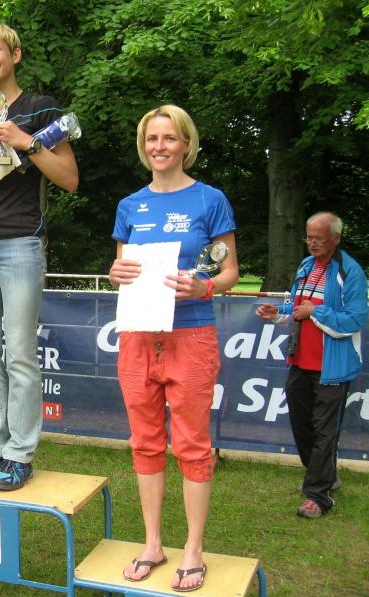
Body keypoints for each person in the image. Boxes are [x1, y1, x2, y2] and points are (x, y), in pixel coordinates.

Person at [108, 105, 239, 592]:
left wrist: (204, 286)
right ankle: (153, 544)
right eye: (151, 139)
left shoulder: (210, 199)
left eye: (168, 138)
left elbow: (228, 271)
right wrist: (114, 273)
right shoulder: (129, 205)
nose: (159, 146)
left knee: (192, 446)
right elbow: (121, 270)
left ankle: (193, 549)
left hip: (191, 335)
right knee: (144, 442)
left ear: (186, 144)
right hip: (138, 335)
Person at [0, 22, 78, 491]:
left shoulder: (41, 109)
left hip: (21, 243)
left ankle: (19, 453)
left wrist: (26, 141)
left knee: (20, 353)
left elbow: (69, 178)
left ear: (15, 55)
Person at [256, 212, 366, 519]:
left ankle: (318, 495)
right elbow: (297, 307)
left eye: (319, 238)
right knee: (301, 424)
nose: (312, 243)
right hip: (300, 360)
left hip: (334, 366)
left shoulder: (350, 272)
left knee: (324, 430)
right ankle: (324, 474)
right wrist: (277, 311)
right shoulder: (306, 266)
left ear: (336, 238)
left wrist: (315, 312)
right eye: (309, 237)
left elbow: (355, 320)